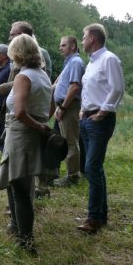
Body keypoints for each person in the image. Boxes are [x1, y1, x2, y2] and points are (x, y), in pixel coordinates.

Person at [0, 34, 53, 254]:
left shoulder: (23, 77)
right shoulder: (43, 75)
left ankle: (26, 241)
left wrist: (37, 127)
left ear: (18, 53)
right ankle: (18, 230)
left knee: (21, 191)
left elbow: (19, 111)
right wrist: (42, 123)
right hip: (30, 132)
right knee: (16, 184)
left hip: (21, 134)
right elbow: (51, 107)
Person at [0, 21, 54, 197]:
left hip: (23, 126)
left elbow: (23, 105)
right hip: (23, 121)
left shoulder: (32, 66)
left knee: (20, 180)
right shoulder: (33, 69)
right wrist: (41, 121)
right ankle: (17, 216)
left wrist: (38, 124)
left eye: (12, 34)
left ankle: (20, 219)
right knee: (19, 178)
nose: (9, 37)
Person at [77, 23, 124, 234]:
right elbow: (89, 90)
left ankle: (94, 218)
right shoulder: (91, 63)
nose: (82, 40)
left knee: (91, 167)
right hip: (87, 119)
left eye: (84, 37)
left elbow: (117, 88)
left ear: (93, 38)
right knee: (93, 168)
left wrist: (102, 112)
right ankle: (100, 215)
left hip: (99, 120)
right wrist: (82, 110)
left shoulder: (109, 59)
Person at [53, 36, 85, 186]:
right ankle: (69, 175)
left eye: (63, 45)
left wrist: (63, 107)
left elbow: (74, 87)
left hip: (70, 108)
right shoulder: (69, 62)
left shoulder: (76, 62)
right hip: (64, 106)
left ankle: (72, 177)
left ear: (73, 46)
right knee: (66, 141)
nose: (60, 48)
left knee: (71, 142)